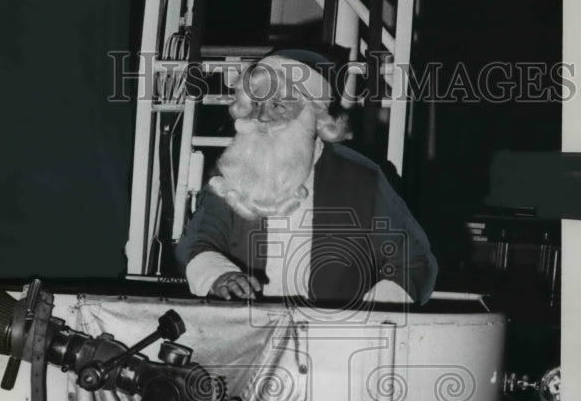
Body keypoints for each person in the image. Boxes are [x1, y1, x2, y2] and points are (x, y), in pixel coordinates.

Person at [175, 49, 438, 306]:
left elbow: (412, 262)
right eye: (256, 103)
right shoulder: (231, 171)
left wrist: (362, 322)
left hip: (333, 341)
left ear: (312, 114)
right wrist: (220, 275)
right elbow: (198, 242)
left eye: (278, 105)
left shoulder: (361, 178)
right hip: (245, 337)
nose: (262, 116)